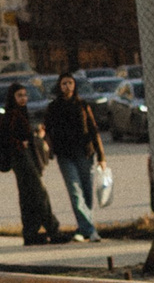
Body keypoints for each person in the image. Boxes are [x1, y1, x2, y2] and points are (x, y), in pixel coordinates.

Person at [0, 84, 65, 246]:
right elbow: (5, 137)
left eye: (25, 95)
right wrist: (20, 143)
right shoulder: (11, 114)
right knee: (39, 194)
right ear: (13, 97)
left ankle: (30, 233)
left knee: (28, 197)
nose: (23, 98)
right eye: (19, 95)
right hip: (21, 159)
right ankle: (53, 230)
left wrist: (35, 135)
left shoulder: (21, 113)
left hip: (26, 157)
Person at [42, 73, 106, 242]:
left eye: (70, 83)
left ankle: (83, 229)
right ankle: (91, 230)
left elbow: (93, 130)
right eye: (64, 83)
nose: (67, 86)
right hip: (65, 155)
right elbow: (47, 130)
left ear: (75, 85)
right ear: (59, 86)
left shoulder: (83, 105)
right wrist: (48, 147)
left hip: (85, 153)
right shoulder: (54, 107)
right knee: (75, 192)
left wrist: (101, 156)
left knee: (86, 192)